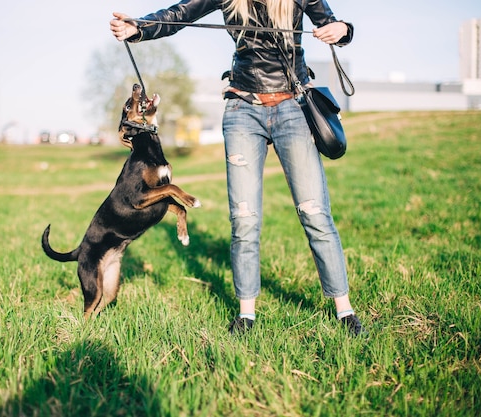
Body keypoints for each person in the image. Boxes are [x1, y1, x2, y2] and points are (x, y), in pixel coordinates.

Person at [110, 0, 367, 337]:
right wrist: (138, 27)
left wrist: (342, 30)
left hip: (293, 108)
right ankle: (246, 315)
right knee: (244, 218)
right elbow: (179, 14)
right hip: (243, 111)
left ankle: (344, 310)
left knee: (315, 213)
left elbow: (334, 25)